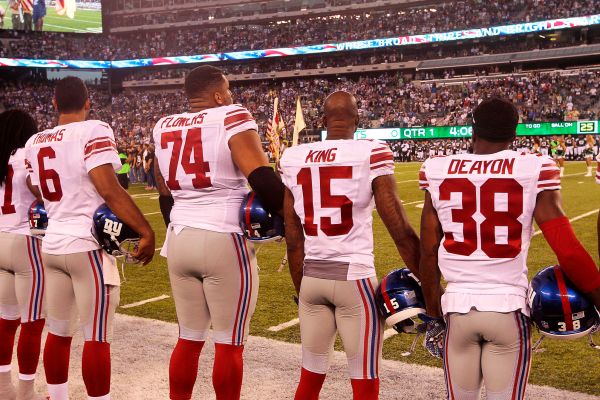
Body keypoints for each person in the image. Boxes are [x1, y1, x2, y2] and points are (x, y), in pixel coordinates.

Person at [418, 98, 600, 400]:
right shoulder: (533, 166)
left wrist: (434, 314)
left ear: (472, 133)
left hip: (457, 310)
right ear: (513, 136)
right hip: (507, 309)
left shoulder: (438, 169)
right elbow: (566, 249)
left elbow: (427, 251)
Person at [153, 65, 285, 400]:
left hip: (180, 237)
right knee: (229, 344)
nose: (231, 96)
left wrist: (182, 226)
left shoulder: (163, 126)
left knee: (188, 338)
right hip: (223, 236)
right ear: (216, 95)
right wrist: (292, 220)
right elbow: (262, 179)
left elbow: (164, 193)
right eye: (227, 91)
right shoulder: (230, 115)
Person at [280, 91, 421, 400]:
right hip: (353, 279)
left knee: (310, 376)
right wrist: (429, 281)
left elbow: (293, 239)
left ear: (322, 121)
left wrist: (302, 289)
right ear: (357, 121)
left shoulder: (293, 157)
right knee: (364, 378)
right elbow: (400, 229)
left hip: (312, 278)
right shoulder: (370, 152)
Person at [24, 76, 155, 400]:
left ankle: (58, 396)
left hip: (52, 245)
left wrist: (62, 200)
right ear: (87, 103)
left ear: (54, 104)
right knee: (96, 337)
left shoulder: (34, 142)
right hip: (86, 247)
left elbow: (34, 188)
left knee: (57, 333)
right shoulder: (93, 129)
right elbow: (109, 188)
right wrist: (145, 230)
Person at [0, 110, 46, 400]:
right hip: (25, 241)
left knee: (5, 320)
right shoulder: (27, 154)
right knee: (32, 322)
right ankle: (26, 392)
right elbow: (44, 191)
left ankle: (4, 388)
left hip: (0, 240)